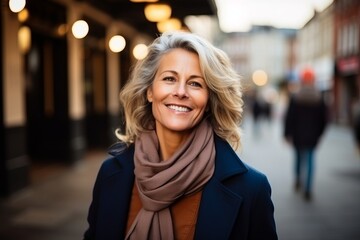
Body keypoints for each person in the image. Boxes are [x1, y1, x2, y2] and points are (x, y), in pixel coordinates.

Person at [84, 31, 278, 240]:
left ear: (209, 100)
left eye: (195, 83)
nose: (181, 91)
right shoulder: (110, 174)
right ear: (150, 91)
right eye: (169, 78)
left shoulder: (251, 189)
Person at [284, 67, 328, 201]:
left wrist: (287, 133)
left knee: (298, 158)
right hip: (312, 135)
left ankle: (298, 179)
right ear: (313, 80)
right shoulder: (319, 98)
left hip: (298, 135)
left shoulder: (296, 97)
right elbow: (324, 119)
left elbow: (289, 117)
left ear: (302, 81)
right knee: (309, 160)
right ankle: (308, 188)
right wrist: (320, 134)